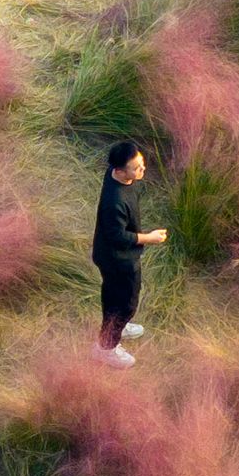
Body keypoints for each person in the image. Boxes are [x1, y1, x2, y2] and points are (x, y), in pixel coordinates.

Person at [93, 141, 165, 366]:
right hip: (118, 259)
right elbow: (120, 237)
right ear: (120, 170)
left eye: (141, 163)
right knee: (125, 304)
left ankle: (117, 329)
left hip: (110, 254)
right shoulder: (114, 202)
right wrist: (150, 238)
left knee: (114, 298)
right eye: (137, 167)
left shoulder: (116, 174)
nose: (142, 169)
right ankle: (106, 348)